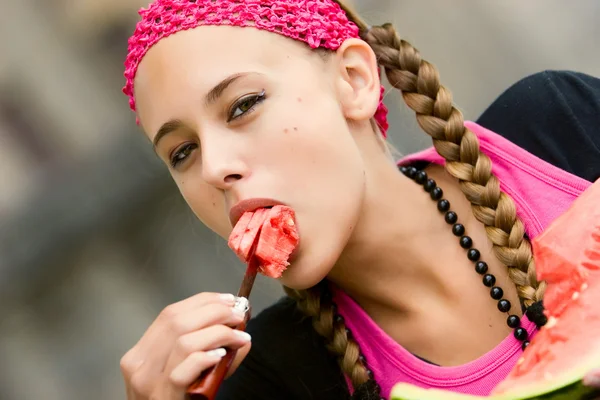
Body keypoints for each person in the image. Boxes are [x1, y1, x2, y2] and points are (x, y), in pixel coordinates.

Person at [119, 1, 600, 399]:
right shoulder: (272, 378)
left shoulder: (562, 127)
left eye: (243, 106)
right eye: (182, 152)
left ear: (354, 80)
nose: (214, 168)